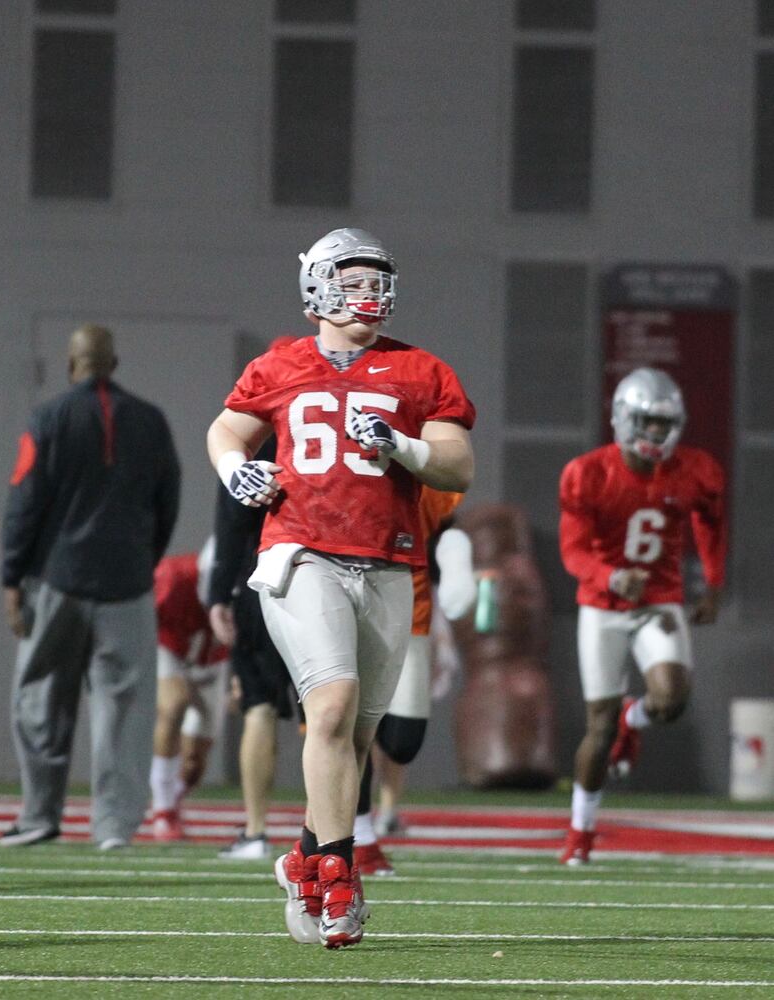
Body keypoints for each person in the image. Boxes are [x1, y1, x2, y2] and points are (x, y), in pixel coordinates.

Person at [206, 228, 474, 948]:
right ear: (318, 287)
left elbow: (456, 466)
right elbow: (225, 431)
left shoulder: (420, 371)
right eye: (352, 282)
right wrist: (235, 471)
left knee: (355, 736)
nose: (368, 296)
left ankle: (302, 857)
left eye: (375, 282)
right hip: (300, 554)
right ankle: (337, 876)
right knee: (330, 708)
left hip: (388, 561)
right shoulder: (277, 365)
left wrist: (402, 446)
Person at [0, 323, 181, 851]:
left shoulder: (48, 418)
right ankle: (114, 828)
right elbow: (168, 501)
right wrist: (144, 558)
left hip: (59, 580)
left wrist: (13, 576)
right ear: (114, 363)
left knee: (39, 700)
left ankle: (38, 816)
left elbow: (24, 500)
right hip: (128, 583)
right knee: (125, 710)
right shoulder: (151, 421)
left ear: (71, 363)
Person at [557, 367, 724, 865]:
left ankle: (638, 715)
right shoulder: (588, 472)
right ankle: (579, 833)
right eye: (648, 423)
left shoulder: (694, 469)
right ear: (624, 419)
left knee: (672, 698)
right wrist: (609, 577)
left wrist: (712, 583)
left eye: (663, 424)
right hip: (602, 605)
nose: (656, 433)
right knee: (599, 728)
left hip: (658, 596)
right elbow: (573, 551)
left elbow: (711, 523)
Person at [351, 488, 476, 876]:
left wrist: (457, 564)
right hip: (348, 611)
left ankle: (370, 815)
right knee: (349, 730)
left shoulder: (426, 486)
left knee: (402, 741)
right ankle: (360, 836)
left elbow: (446, 532)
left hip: (411, 616)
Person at [205, 436, 302, 861]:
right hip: (335, 575)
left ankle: (256, 830)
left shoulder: (256, 441)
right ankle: (338, 833)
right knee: (328, 711)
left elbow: (232, 518)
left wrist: (217, 594)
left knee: (260, 707)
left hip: (262, 579)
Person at [148, 542, 228, 841]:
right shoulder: (173, 576)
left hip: (213, 661)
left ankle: (171, 798)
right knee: (173, 704)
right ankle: (163, 809)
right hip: (172, 651)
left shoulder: (252, 580)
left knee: (195, 764)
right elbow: (146, 619)